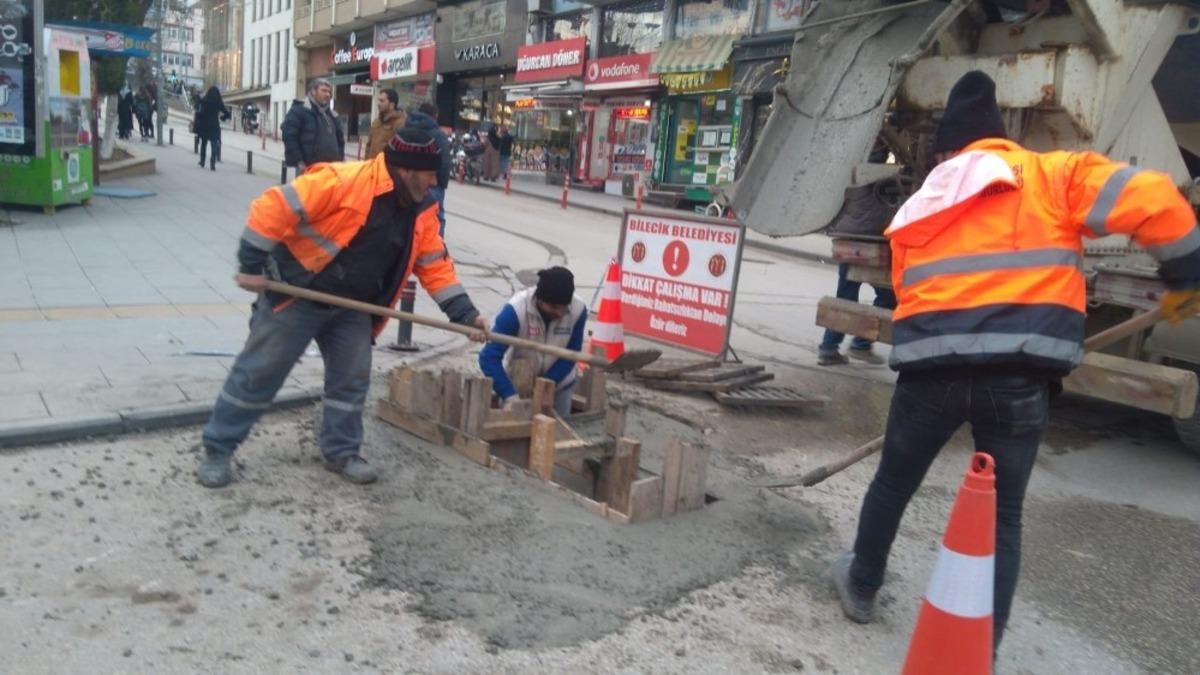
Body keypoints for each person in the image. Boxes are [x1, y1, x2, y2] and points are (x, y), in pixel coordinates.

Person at [832, 71, 1200, 652]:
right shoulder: (1056, 174)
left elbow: (908, 292)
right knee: (1002, 516)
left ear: (947, 150)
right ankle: (983, 644)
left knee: (893, 484)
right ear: (1001, 140)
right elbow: (1155, 200)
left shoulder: (919, 205)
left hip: (930, 375)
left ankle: (861, 584)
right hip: (1019, 380)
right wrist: (1186, 273)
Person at [195, 128, 490, 489]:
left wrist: (465, 315)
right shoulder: (345, 181)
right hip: (298, 292)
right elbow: (272, 206)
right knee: (260, 371)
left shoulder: (422, 210)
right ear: (408, 169)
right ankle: (218, 448)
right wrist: (251, 263)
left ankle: (342, 451)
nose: (433, 184)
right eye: (430, 174)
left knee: (352, 378)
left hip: (353, 306)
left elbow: (434, 265)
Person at [479, 267, 587, 418]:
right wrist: (510, 395)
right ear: (540, 300)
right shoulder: (516, 311)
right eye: (554, 307)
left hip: (559, 386)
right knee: (515, 433)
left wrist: (547, 384)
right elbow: (488, 357)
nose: (560, 313)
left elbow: (570, 355)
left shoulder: (578, 309)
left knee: (557, 433)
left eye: (564, 308)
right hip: (519, 386)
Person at [404, 102, 452, 235]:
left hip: (406, 181)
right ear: (435, 116)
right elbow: (444, 162)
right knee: (435, 217)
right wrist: (442, 183)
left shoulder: (405, 129)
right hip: (431, 183)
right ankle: (432, 249)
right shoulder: (438, 135)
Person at [282, 78, 345, 177]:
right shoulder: (300, 110)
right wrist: (299, 161)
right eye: (324, 91)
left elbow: (340, 141)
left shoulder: (333, 115)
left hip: (330, 170)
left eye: (329, 92)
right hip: (308, 169)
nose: (328, 95)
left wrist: (341, 160)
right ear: (313, 91)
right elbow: (289, 136)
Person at [195, 86, 229, 171]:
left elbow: (198, 110)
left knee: (204, 144)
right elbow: (227, 113)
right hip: (214, 125)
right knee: (214, 144)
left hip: (205, 125)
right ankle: (212, 163)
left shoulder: (204, 101)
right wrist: (223, 118)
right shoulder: (218, 102)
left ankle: (202, 161)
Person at [365, 89, 406, 159]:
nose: (378, 103)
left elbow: (401, 151)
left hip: (386, 167)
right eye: (379, 100)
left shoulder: (400, 123)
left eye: (382, 101)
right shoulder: (376, 121)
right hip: (372, 165)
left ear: (392, 105)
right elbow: (369, 145)